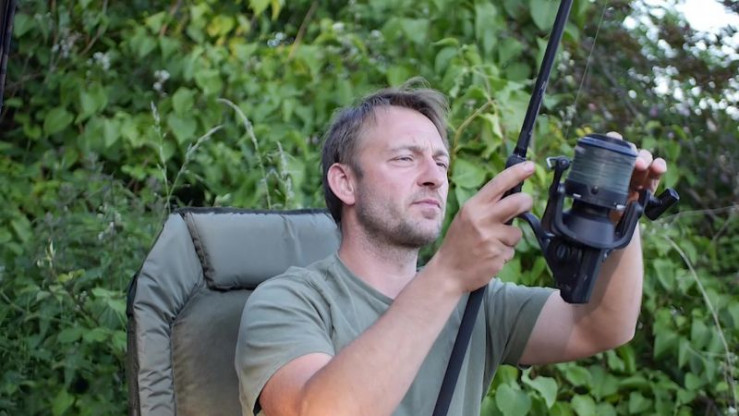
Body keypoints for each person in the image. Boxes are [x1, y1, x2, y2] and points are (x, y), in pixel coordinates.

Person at [235, 83, 667, 416]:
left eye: (441, 162)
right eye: (405, 158)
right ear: (345, 182)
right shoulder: (289, 301)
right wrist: (447, 274)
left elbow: (603, 325)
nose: (434, 177)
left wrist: (621, 216)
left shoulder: (479, 304)